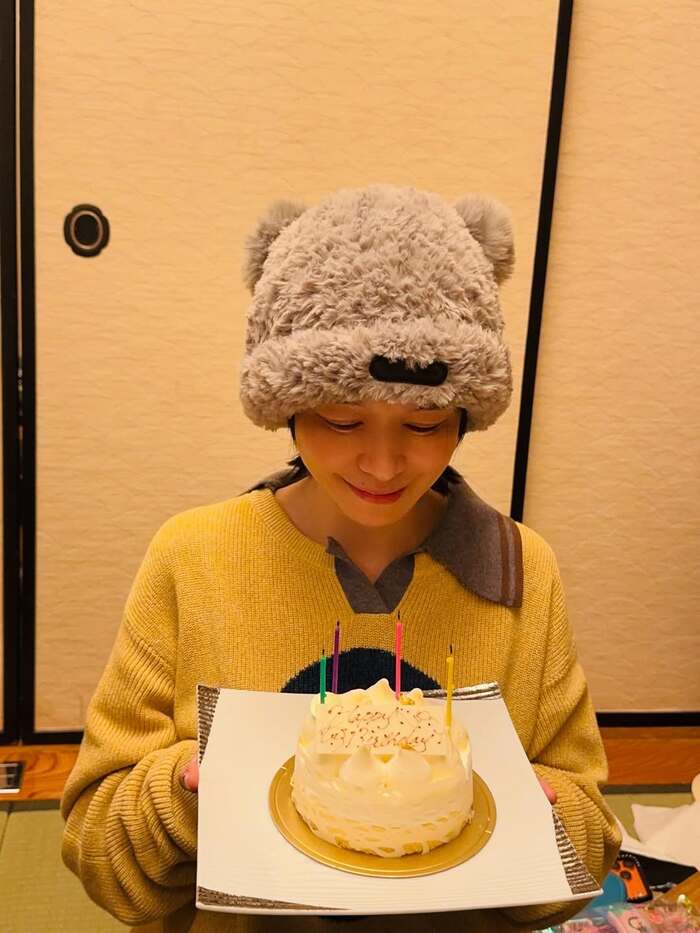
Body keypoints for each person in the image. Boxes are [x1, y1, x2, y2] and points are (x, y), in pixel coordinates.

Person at [61, 183, 621, 933]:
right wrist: (186, 794)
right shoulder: (195, 559)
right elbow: (101, 855)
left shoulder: (521, 569)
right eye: (341, 419)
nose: (383, 464)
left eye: (424, 423)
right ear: (287, 405)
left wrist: (537, 818)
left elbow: (584, 848)